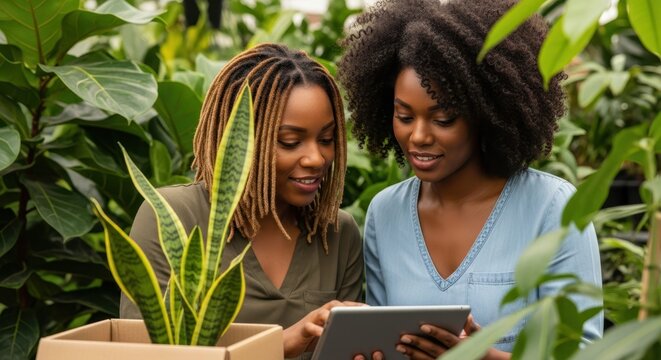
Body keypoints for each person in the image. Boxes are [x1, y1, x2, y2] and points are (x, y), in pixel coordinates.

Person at [337, 0, 602, 359]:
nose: (418, 136)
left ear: (487, 113)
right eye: (404, 115)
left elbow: (584, 352)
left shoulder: (553, 209)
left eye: (442, 119)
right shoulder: (385, 215)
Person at [120, 43, 364, 360]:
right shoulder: (172, 216)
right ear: (242, 138)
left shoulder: (337, 233)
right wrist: (283, 344)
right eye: (290, 141)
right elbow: (144, 354)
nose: (317, 158)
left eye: (327, 139)